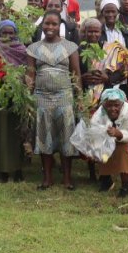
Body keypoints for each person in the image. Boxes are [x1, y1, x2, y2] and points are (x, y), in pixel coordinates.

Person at [26, 10, 80, 190]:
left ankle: (67, 178)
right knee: (44, 135)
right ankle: (47, 178)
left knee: (67, 136)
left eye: (54, 24)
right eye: (47, 23)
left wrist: (80, 97)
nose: (50, 27)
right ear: (42, 25)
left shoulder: (70, 47)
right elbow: (31, 74)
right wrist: (27, 94)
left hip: (64, 96)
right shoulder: (33, 48)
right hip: (42, 97)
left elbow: (76, 74)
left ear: (60, 26)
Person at [0, 20, 27, 182]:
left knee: (18, 132)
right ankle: (3, 170)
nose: (8, 36)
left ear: (16, 34)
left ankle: (18, 169)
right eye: (4, 33)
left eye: (11, 33)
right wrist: (2, 79)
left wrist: (18, 80)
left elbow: (27, 71)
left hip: (18, 94)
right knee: (1, 132)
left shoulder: (22, 50)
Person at [87, 87, 128, 197]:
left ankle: (125, 186)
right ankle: (106, 180)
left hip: (127, 133)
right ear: (103, 105)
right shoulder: (99, 113)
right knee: (102, 152)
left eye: (116, 105)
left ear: (122, 104)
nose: (112, 109)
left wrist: (118, 134)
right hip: (106, 135)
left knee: (123, 152)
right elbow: (94, 130)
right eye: (109, 105)